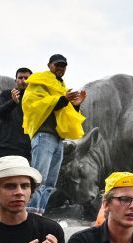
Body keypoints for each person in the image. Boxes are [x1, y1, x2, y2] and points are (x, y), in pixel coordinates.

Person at [22, 54, 86, 214]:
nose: (60, 68)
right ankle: (30, 211)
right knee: (38, 177)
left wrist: (75, 105)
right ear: (49, 65)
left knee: (50, 182)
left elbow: (63, 112)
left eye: (63, 66)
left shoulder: (61, 86)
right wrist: (63, 99)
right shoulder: (39, 81)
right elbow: (33, 104)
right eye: (57, 65)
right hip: (44, 135)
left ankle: (39, 211)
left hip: (57, 139)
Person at [0, 68, 33, 162]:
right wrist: (13, 102)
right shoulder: (6, 94)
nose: (23, 80)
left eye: (26, 78)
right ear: (16, 80)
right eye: (20, 78)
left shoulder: (35, 99)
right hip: (1, 146)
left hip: (24, 150)